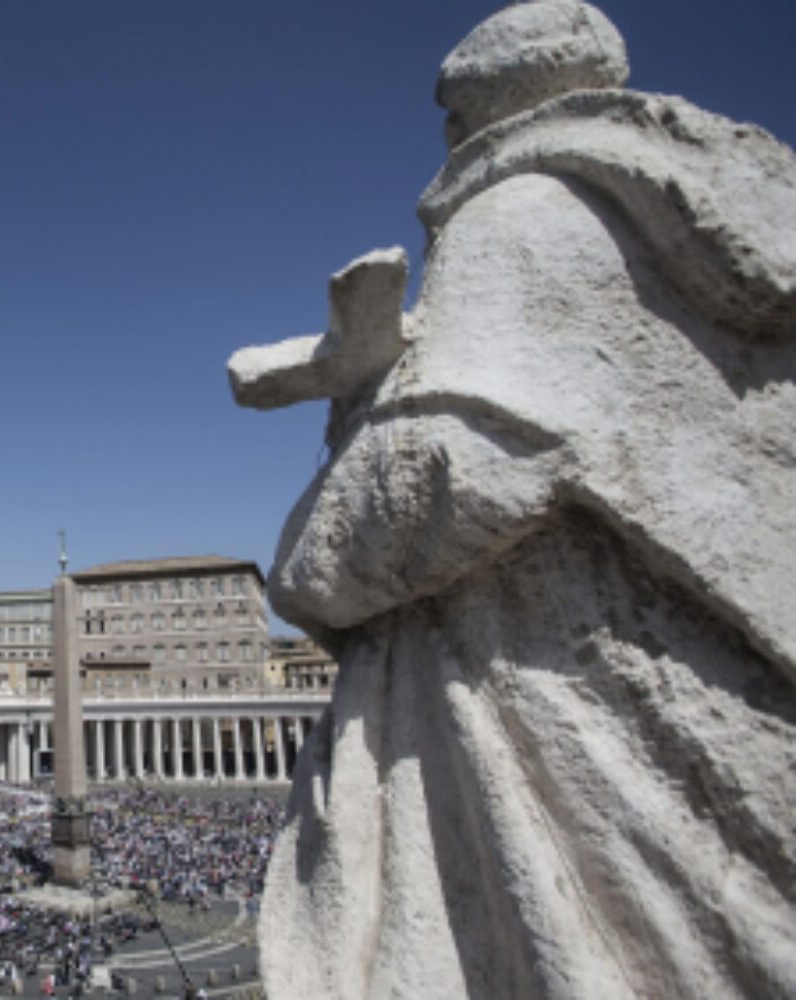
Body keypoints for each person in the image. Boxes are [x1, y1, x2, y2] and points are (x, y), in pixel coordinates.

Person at [232, 3, 796, 998]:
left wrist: (305, 557)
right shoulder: (648, 216)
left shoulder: (525, 212)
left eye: (450, 114)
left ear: (484, 109)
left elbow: (453, 469)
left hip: (564, 691)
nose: (444, 137)